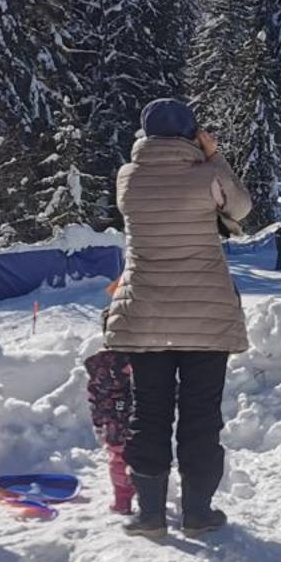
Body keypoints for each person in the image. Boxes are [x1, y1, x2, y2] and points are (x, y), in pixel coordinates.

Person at [104, 97, 253, 537]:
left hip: (145, 315)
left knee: (148, 414)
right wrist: (214, 155)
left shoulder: (127, 177)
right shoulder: (208, 175)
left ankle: (150, 514)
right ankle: (198, 513)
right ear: (192, 134)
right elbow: (240, 208)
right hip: (206, 318)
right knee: (201, 415)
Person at [83, 339, 136, 515]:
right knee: (146, 459)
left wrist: (98, 424)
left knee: (118, 460)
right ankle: (150, 500)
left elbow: (94, 399)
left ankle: (122, 500)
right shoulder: (141, 361)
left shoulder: (98, 367)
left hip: (114, 426)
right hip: (141, 423)